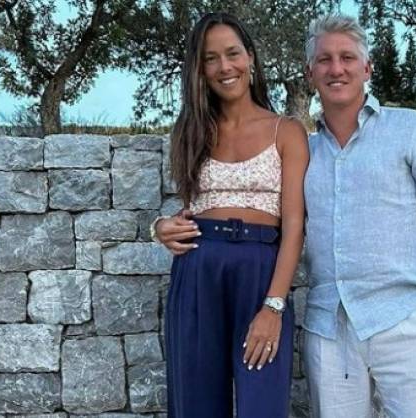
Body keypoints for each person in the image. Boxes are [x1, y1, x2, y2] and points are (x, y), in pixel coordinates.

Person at [301, 15, 416, 418]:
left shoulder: (411, 128)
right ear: (310, 73)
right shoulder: (302, 151)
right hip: (330, 326)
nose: (336, 69)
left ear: (367, 67)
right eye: (324, 59)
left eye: (347, 57)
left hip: (407, 317)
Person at [151, 12, 308, 418]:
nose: (225, 66)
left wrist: (273, 306)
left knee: (262, 405)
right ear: (200, 70)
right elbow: (189, 209)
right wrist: (160, 228)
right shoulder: (191, 131)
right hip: (198, 271)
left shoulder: (287, 131)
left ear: (250, 57)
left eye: (233, 53)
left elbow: (294, 225)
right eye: (211, 58)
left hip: (260, 273)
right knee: (196, 406)